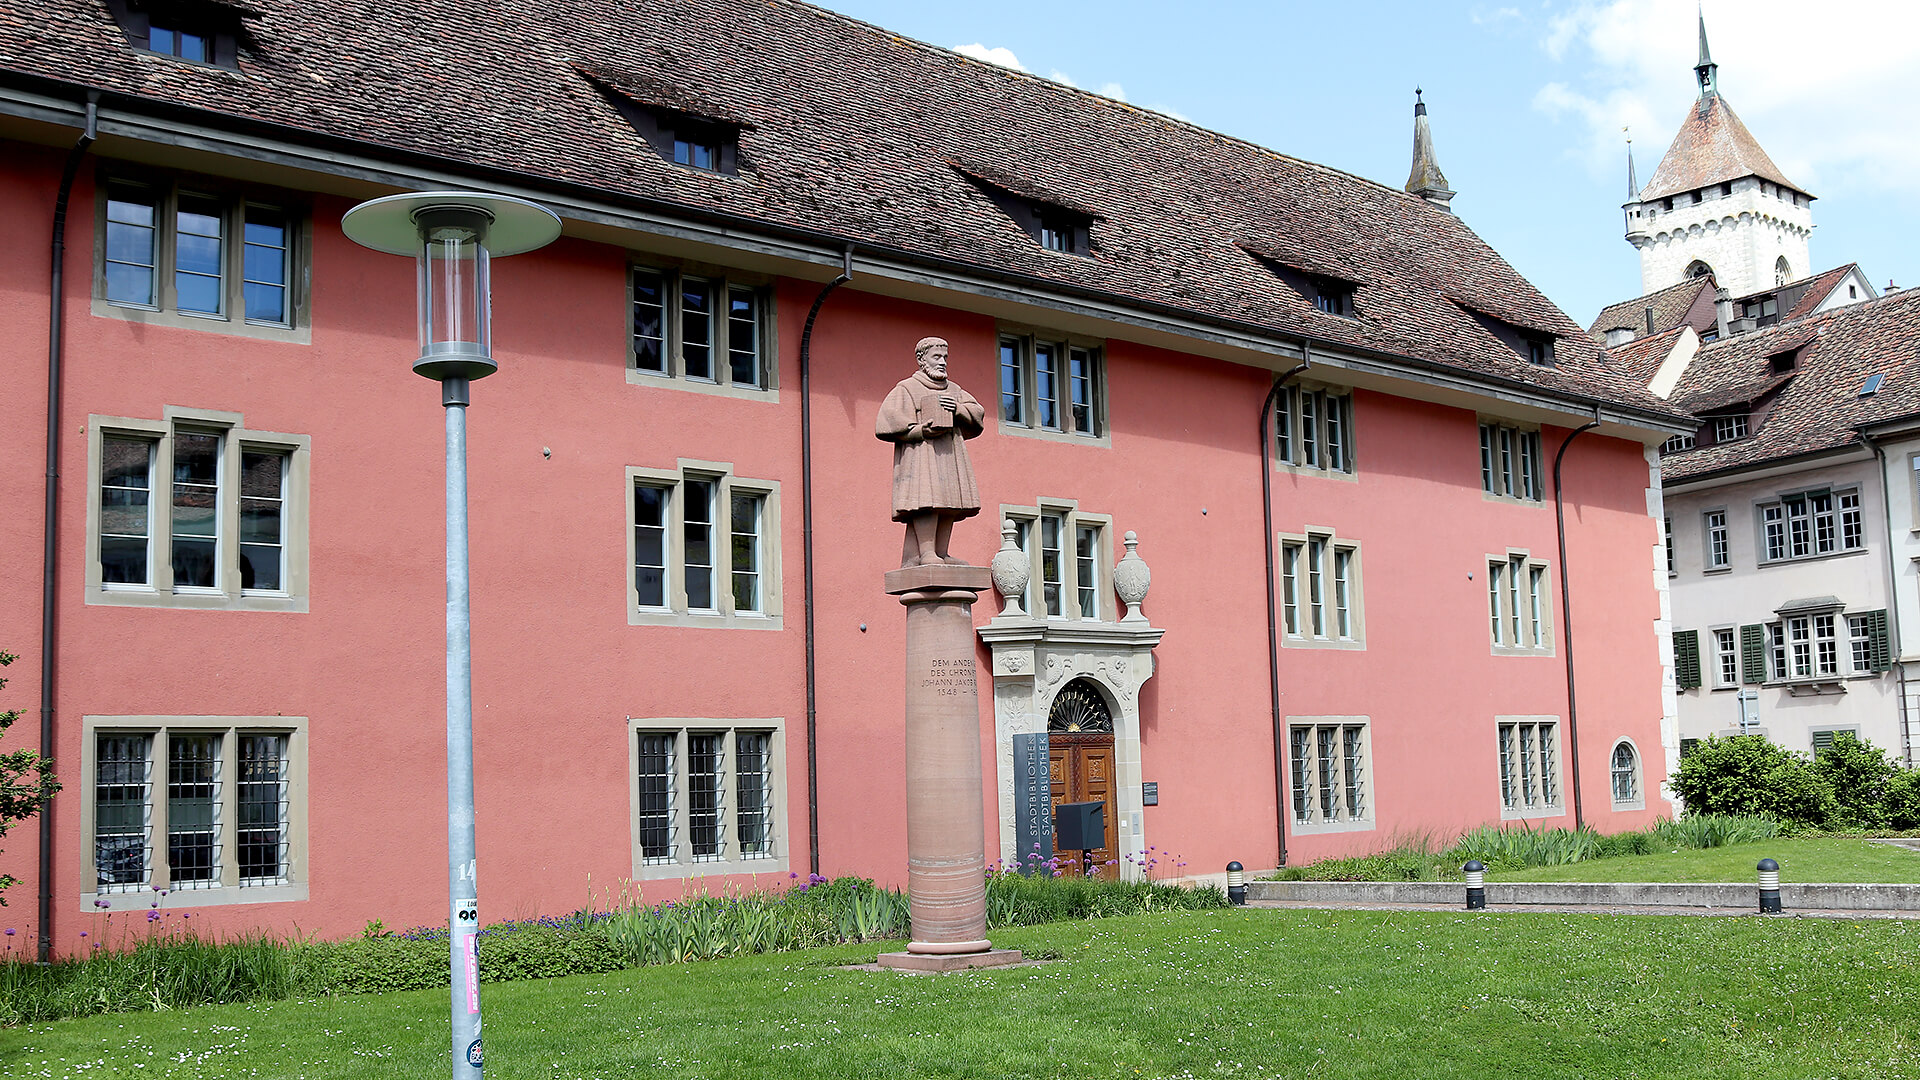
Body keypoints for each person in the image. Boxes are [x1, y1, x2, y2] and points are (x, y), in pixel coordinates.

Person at [876, 337, 985, 567]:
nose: (943, 362)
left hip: (950, 454)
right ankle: (926, 553)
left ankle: (941, 552)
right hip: (922, 454)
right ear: (921, 359)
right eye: (937, 357)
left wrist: (959, 409)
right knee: (927, 501)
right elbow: (886, 421)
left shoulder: (954, 389)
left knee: (950, 501)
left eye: (945, 357)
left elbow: (977, 413)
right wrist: (918, 430)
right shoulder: (907, 387)